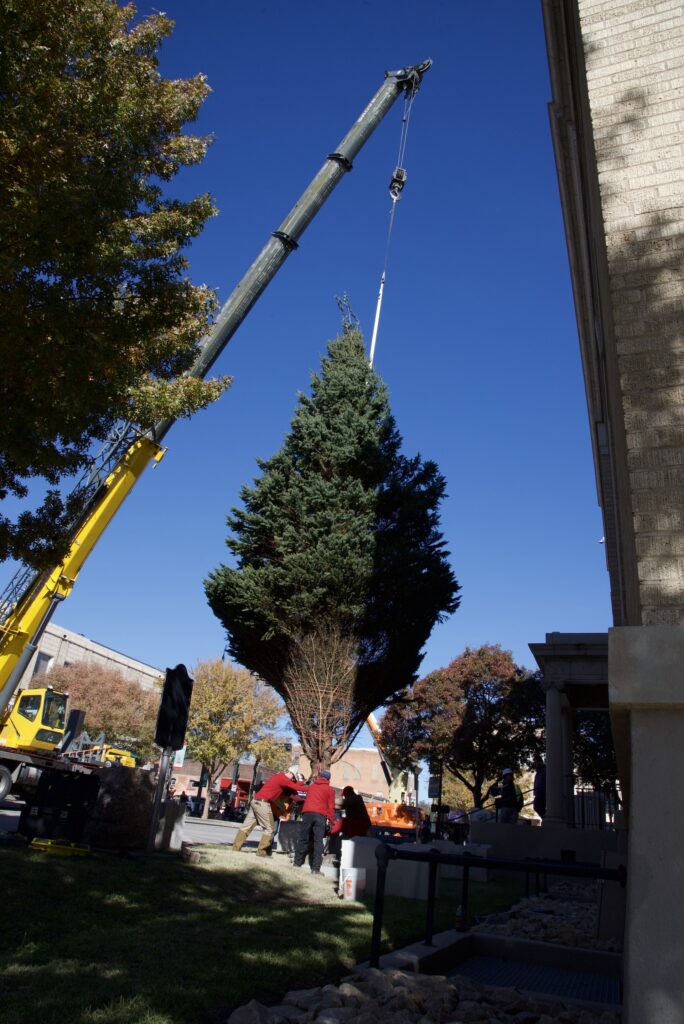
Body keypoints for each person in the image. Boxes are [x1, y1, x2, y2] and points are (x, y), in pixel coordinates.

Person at [232, 764, 307, 857]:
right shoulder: (284, 779)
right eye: (294, 778)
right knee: (269, 829)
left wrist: (300, 783)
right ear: (292, 774)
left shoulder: (278, 776)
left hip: (255, 801)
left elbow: (290, 788)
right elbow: (296, 788)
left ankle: (235, 848)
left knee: (246, 827)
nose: (293, 780)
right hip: (263, 803)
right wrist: (311, 788)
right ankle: (261, 852)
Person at [293, 769, 335, 873]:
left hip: (307, 813)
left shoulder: (312, 786)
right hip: (320, 815)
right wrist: (331, 821)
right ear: (328, 779)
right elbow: (331, 807)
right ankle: (315, 869)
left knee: (303, 838)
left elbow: (303, 793)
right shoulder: (329, 790)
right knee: (318, 841)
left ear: (320, 777)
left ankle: (297, 863)